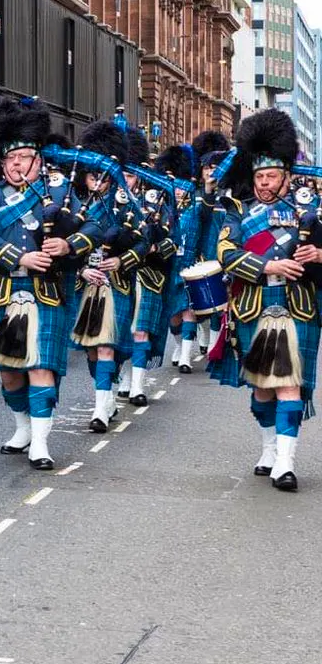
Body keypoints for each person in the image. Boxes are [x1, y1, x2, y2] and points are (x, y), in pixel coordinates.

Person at [0, 97, 103, 470]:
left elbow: (94, 225)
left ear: (39, 159)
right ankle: (23, 428)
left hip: (46, 291)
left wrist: (68, 245)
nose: (16, 164)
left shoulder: (60, 191)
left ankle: (41, 444)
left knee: (41, 366)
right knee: (10, 372)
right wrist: (20, 257)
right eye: (10, 158)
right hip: (4, 291)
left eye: (24, 157)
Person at [212, 108, 321, 492]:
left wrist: (318, 254)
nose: (264, 183)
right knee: (262, 388)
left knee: (290, 384)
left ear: (287, 176)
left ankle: (286, 464)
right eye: (259, 176)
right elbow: (226, 253)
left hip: (297, 304)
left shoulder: (311, 211)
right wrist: (268, 265)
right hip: (255, 302)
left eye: (271, 176)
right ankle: (269, 448)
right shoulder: (239, 211)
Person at [70, 121, 146, 432]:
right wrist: (81, 269)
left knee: (107, 347)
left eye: (102, 176)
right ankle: (108, 396)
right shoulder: (72, 204)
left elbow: (143, 242)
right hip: (85, 283)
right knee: (92, 349)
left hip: (116, 283)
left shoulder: (126, 204)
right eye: (92, 176)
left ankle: (100, 409)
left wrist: (121, 260)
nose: (97, 182)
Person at [118, 128, 176, 408]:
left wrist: (153, 248)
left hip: (147, 275)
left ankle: (138, 386)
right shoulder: (107, 202)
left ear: (139, 176)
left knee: (140, 331)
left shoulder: (156, 202)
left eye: (129, 176)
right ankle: (123, 379)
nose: (125, 181)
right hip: (116, 276)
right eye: (121, 175)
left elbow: (171, 243)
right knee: (119, 334)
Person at [154, 145, 201, 373]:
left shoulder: (197, 208)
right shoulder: (161, 209)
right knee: (173, 315)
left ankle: (185, 356)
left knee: (189, 309)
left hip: (190, 264)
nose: (179, 191)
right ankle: (180, 344)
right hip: (168, 266)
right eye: (176, 187)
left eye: (183, 187)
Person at [192, 130, 230, 355]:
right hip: (201, 250)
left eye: (215, 167)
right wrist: (207, 191)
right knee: (199, 304)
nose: (210, 171)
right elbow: (200, 219)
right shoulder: (195, 192)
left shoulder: (230, 193)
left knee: (220, 304)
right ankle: (204, 332)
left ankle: (215, 347)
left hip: (222, 252)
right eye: (207, 167)